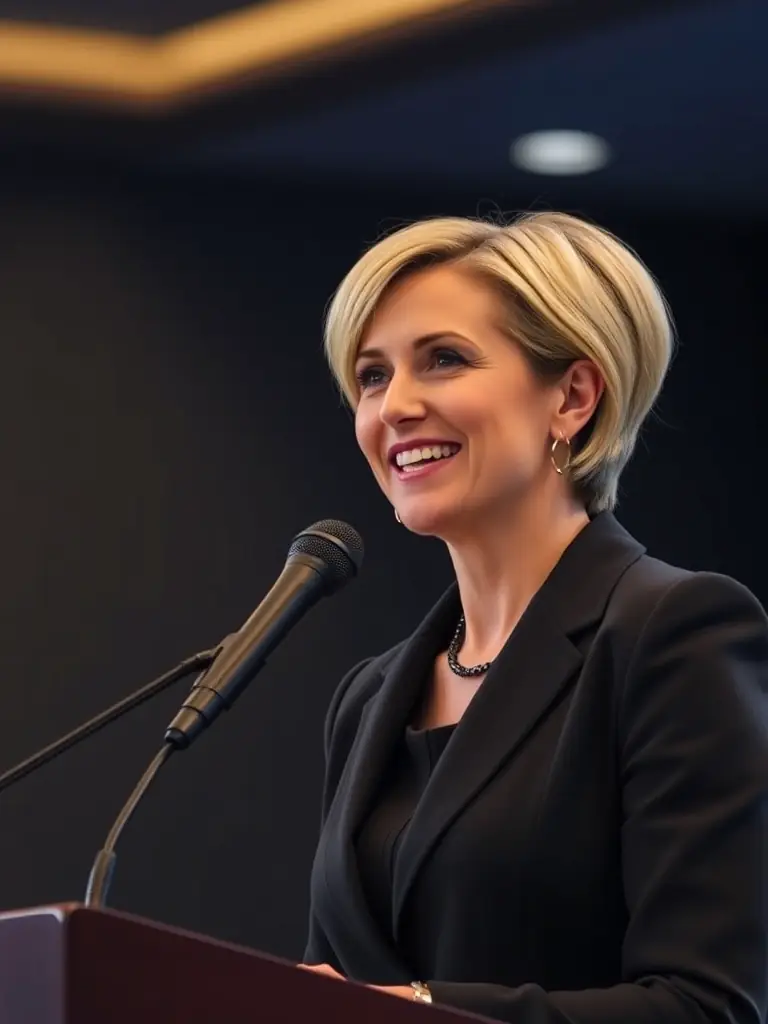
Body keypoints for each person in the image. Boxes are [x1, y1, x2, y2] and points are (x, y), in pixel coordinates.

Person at [300, 211, 768, 1024]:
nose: (394, 406)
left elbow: (708, 1005)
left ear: (573, 397)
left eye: (444, 359)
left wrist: (415, 1010)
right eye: (372, 376)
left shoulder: (673, 636)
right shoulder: (369, 699)